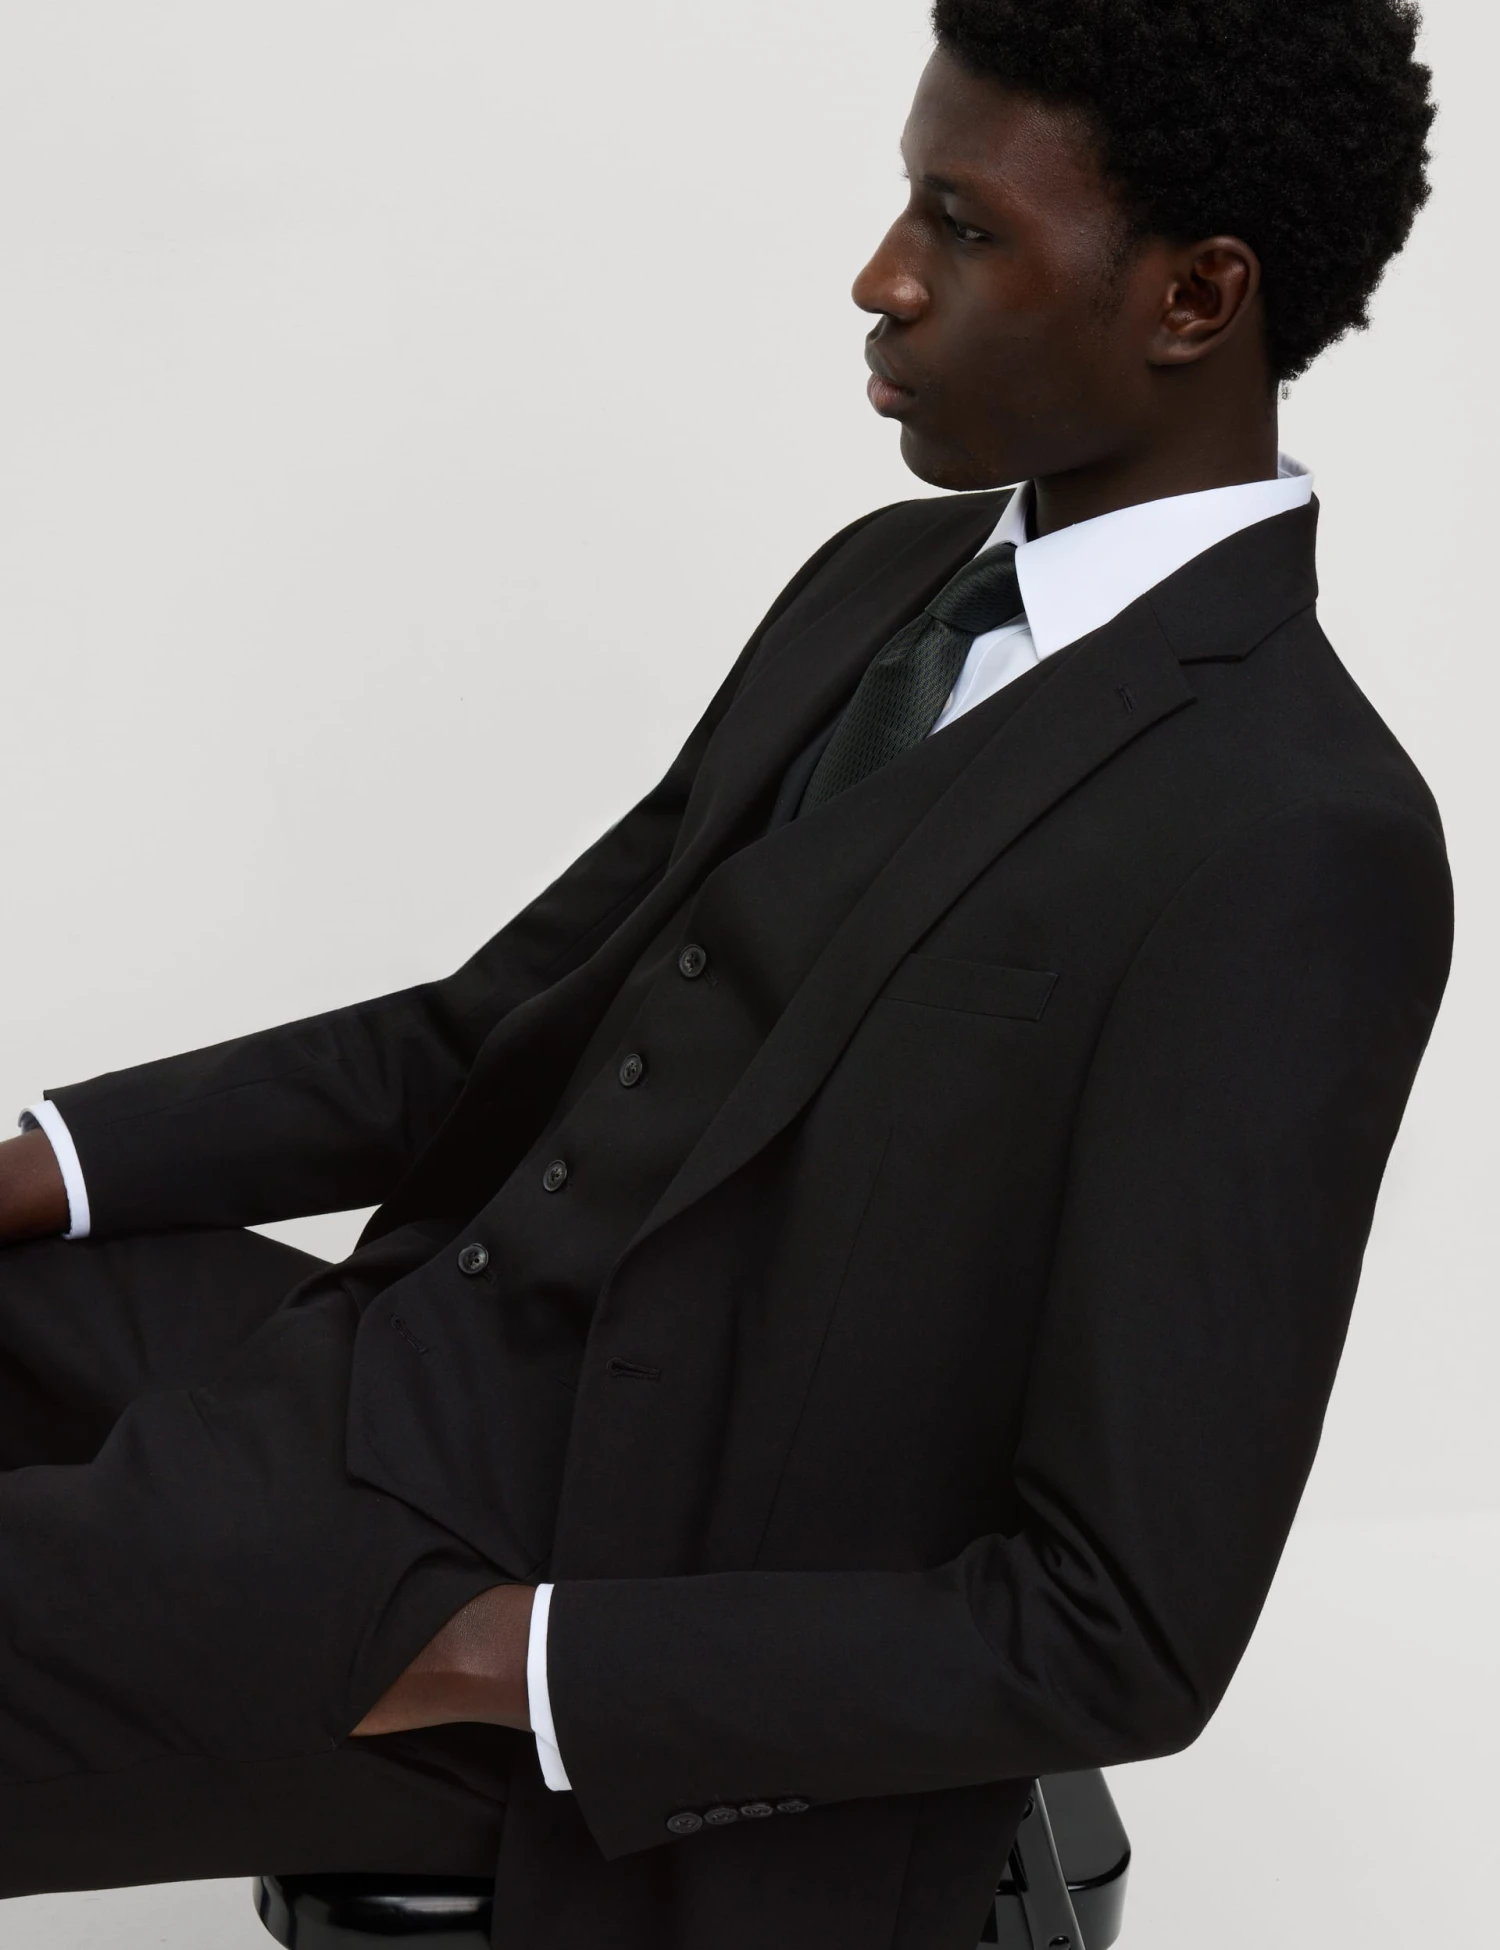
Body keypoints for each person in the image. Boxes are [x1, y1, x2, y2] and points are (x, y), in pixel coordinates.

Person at [0, 2, 1449, 1946]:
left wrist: (526, 1668)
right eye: (905, 202)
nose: (881, 276)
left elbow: (1122, 1625)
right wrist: (43, 1164)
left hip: (523, 1582)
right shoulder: (885, 583)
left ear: (1196, 296)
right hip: (390, 1365)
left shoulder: (1296, 833)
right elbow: (486, 1035)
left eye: (963, 227)